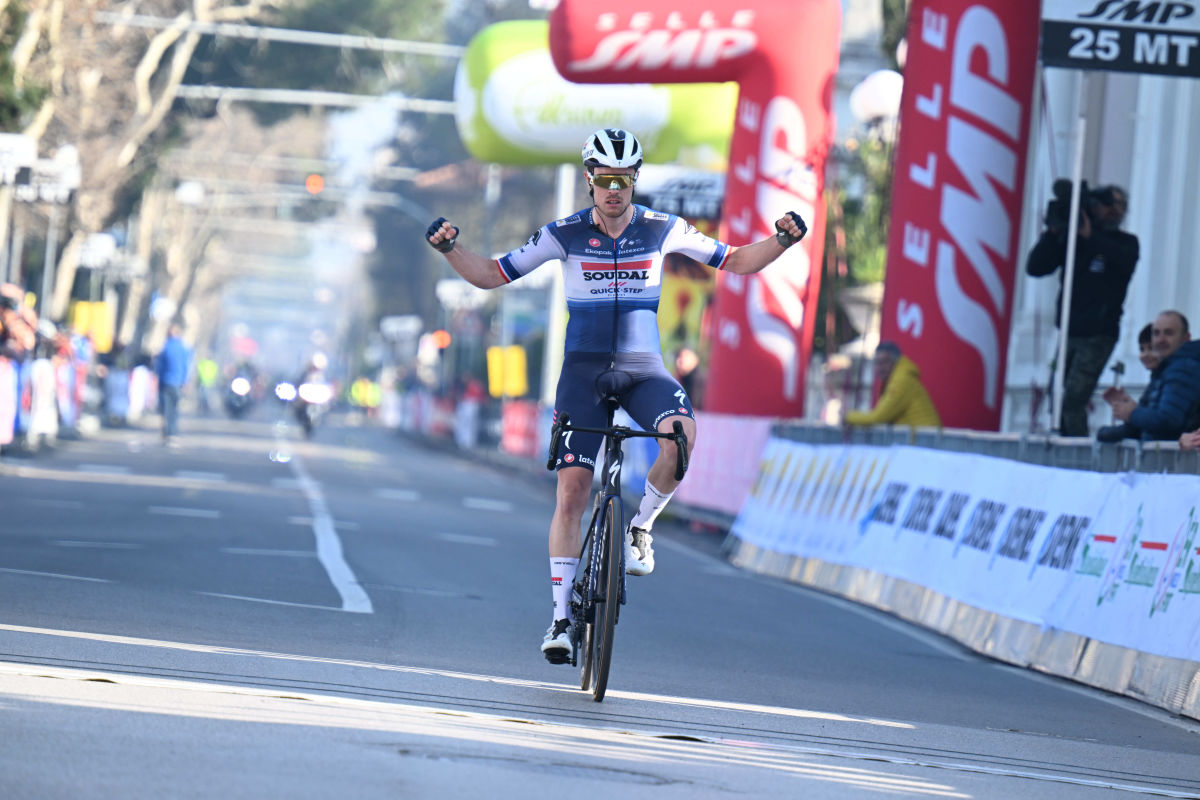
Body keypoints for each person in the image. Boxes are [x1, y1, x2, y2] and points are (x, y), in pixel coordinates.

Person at [426, 127, 808, 664]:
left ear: (634, 180)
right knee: (571, 494)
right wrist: (451, 249)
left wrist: (782, 241)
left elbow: (736, 260)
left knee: (681, 437)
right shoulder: (563, 233)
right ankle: (561, 619)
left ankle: (640, 528)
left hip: (642, 369)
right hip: (583, 374)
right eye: (604, 180)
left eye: (623, 180)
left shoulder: (662, 228)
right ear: (589, 179)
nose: (613, 190)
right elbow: (492, 274)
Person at [1026, 181, 1139, 436]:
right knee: (1057, 396)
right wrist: (1053, 233)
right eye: (1106, 204)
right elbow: (1036, 267)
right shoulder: (1073, 242)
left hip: (1099, 333)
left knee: (1073, 398)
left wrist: (1090, 236)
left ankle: (1076, 450)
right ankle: (1064, 443)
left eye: (1119, 205)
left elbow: (1124, 261)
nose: (1112, 210)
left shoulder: (1126, 243)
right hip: (1070, 331)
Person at [1098, 310, 1200, 442]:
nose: (1160, 340)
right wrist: (1128, 412)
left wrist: (1132, 413)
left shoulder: (1183, 368)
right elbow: (1147, 425)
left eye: (1169, 333)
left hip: (1170, 454)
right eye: (1156, 333)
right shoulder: (1166, 369)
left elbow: (1169, 420)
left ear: (1186, 338)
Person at [843, 341, 941, 429]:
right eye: (877, 362)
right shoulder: (897, 378)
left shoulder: (902, 380)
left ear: (895, 362)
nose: (880, 367)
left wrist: (848, 417)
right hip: (920, 440)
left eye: (885, 362)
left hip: (924, 441)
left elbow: (878, 418)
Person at [154, 323, 192, 445]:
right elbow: (187, 367)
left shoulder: (166, 347)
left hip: (166, 382)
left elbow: (159, 366)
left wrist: (158, 378)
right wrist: (185, 381)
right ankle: (173, 433)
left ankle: (167, 432)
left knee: (166, 408)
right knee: (174, 409)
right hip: (178, 383)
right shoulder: (184, 348)